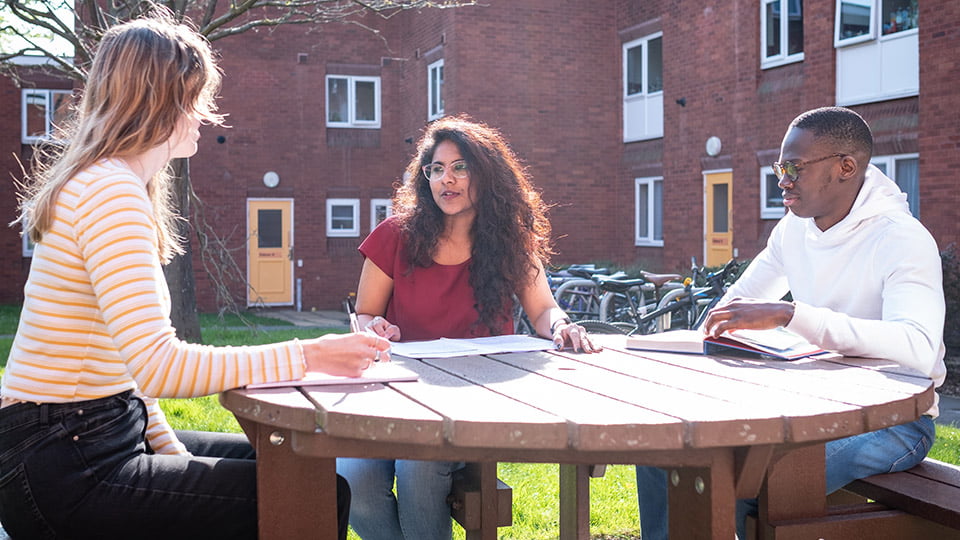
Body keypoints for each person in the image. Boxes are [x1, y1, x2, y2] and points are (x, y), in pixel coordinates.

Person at [0, 12, 391, 540]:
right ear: (161, 103)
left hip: (84, 438)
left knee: (303, 472)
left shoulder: (110, 184)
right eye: (195, 99)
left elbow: (130, 374)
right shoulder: (108, 192)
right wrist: (311, 355)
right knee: (310, 494)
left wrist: (174, 456)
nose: (203, 117)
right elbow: (160, 366)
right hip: (63, 462)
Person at [636, 106, 946, 539]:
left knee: (736, 484)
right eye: (780, 167)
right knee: (662, 454)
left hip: (892, 424)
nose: (782, 180)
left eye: (794, 167)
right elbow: (733, 308)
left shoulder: (901, 240)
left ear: (846, 167)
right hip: (809, 409)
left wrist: (791, 315)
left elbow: (917, 346)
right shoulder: (793, 231)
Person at [338, 115, 600, 540]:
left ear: (485, 173)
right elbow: (363, 316)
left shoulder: (511, 241)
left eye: (460, 166)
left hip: (470, 402)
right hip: (396, 396)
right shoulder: (394, 236)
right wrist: (375, 326)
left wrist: (562, 327)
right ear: (425, 178)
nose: (447, 179)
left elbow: (543, 310)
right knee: (354, 479)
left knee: (419, 469)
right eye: (437, 168)